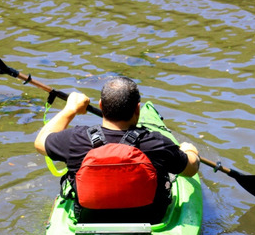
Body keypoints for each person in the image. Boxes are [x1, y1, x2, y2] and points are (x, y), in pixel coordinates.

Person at [35, 76, 199, 223]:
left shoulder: (76, 139)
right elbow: (190, 170)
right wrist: (189, 151)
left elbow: (40, 142)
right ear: (137, 109)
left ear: (101, 105)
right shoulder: (155, 143)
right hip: (149, 219)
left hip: (88, 219)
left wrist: (70, 109)